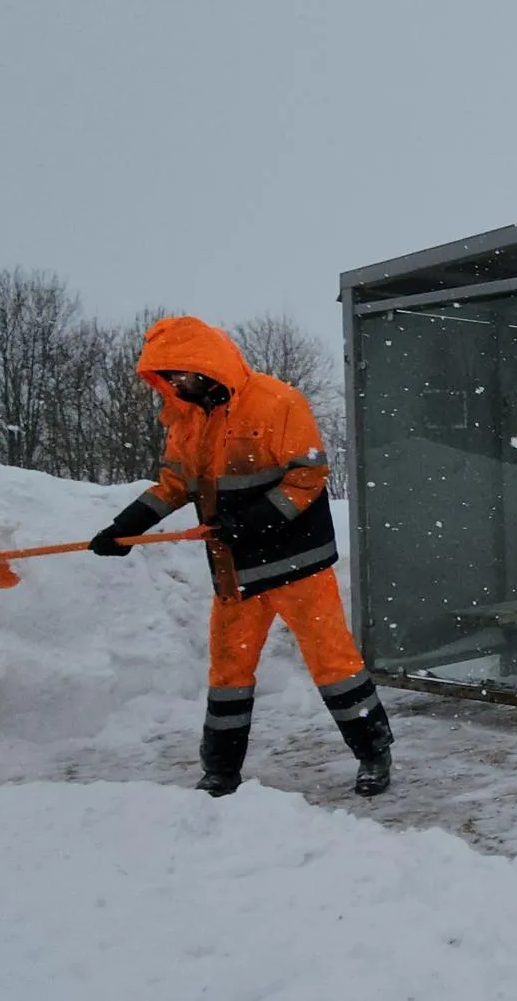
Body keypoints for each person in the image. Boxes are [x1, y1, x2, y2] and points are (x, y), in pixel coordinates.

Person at [89, 315, 392, 797]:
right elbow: (174, 485)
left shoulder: (277, 403)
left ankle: (374, 752)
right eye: (165, 379)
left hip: (298, 564)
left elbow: (307, 477)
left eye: (177, 376)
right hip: (235, 571)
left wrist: (249, 523)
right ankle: (221, 769)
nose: (172, 387)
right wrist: (124, 528)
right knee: (228, 671)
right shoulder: (186, 420)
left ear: (202, 365)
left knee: (332, 662)